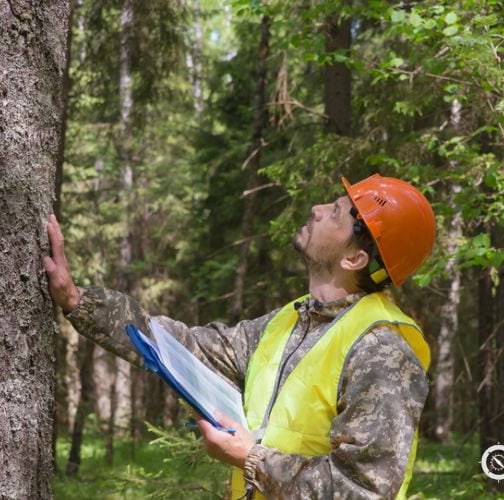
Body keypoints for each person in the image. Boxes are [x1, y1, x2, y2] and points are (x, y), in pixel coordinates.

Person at [44, 174, 436, 499]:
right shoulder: (289, 321)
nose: (316, 210)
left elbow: (362, 491)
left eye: (335, 213)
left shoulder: (382, 350)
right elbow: (187, 348)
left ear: (354, 259)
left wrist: (252, 458)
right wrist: (78, 300)